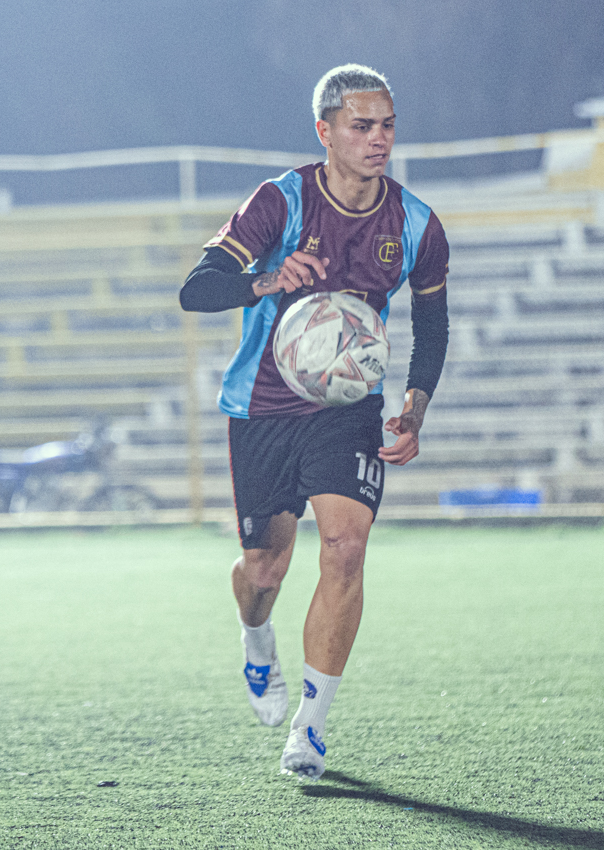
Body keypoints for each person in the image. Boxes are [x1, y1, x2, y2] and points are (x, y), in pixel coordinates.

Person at [178, 64, 449, 779]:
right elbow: (196, 290)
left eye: (387, 125)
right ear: (324, 131)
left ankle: (310, 727)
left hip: (346, 409)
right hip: (263, 408)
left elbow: (433, 324)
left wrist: (415, 404)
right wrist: (265, 279)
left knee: (344, 549)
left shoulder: (416, 224)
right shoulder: (280, 202)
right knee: (264, 568)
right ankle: (255, 635)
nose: (378, 139)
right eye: (361, 126)